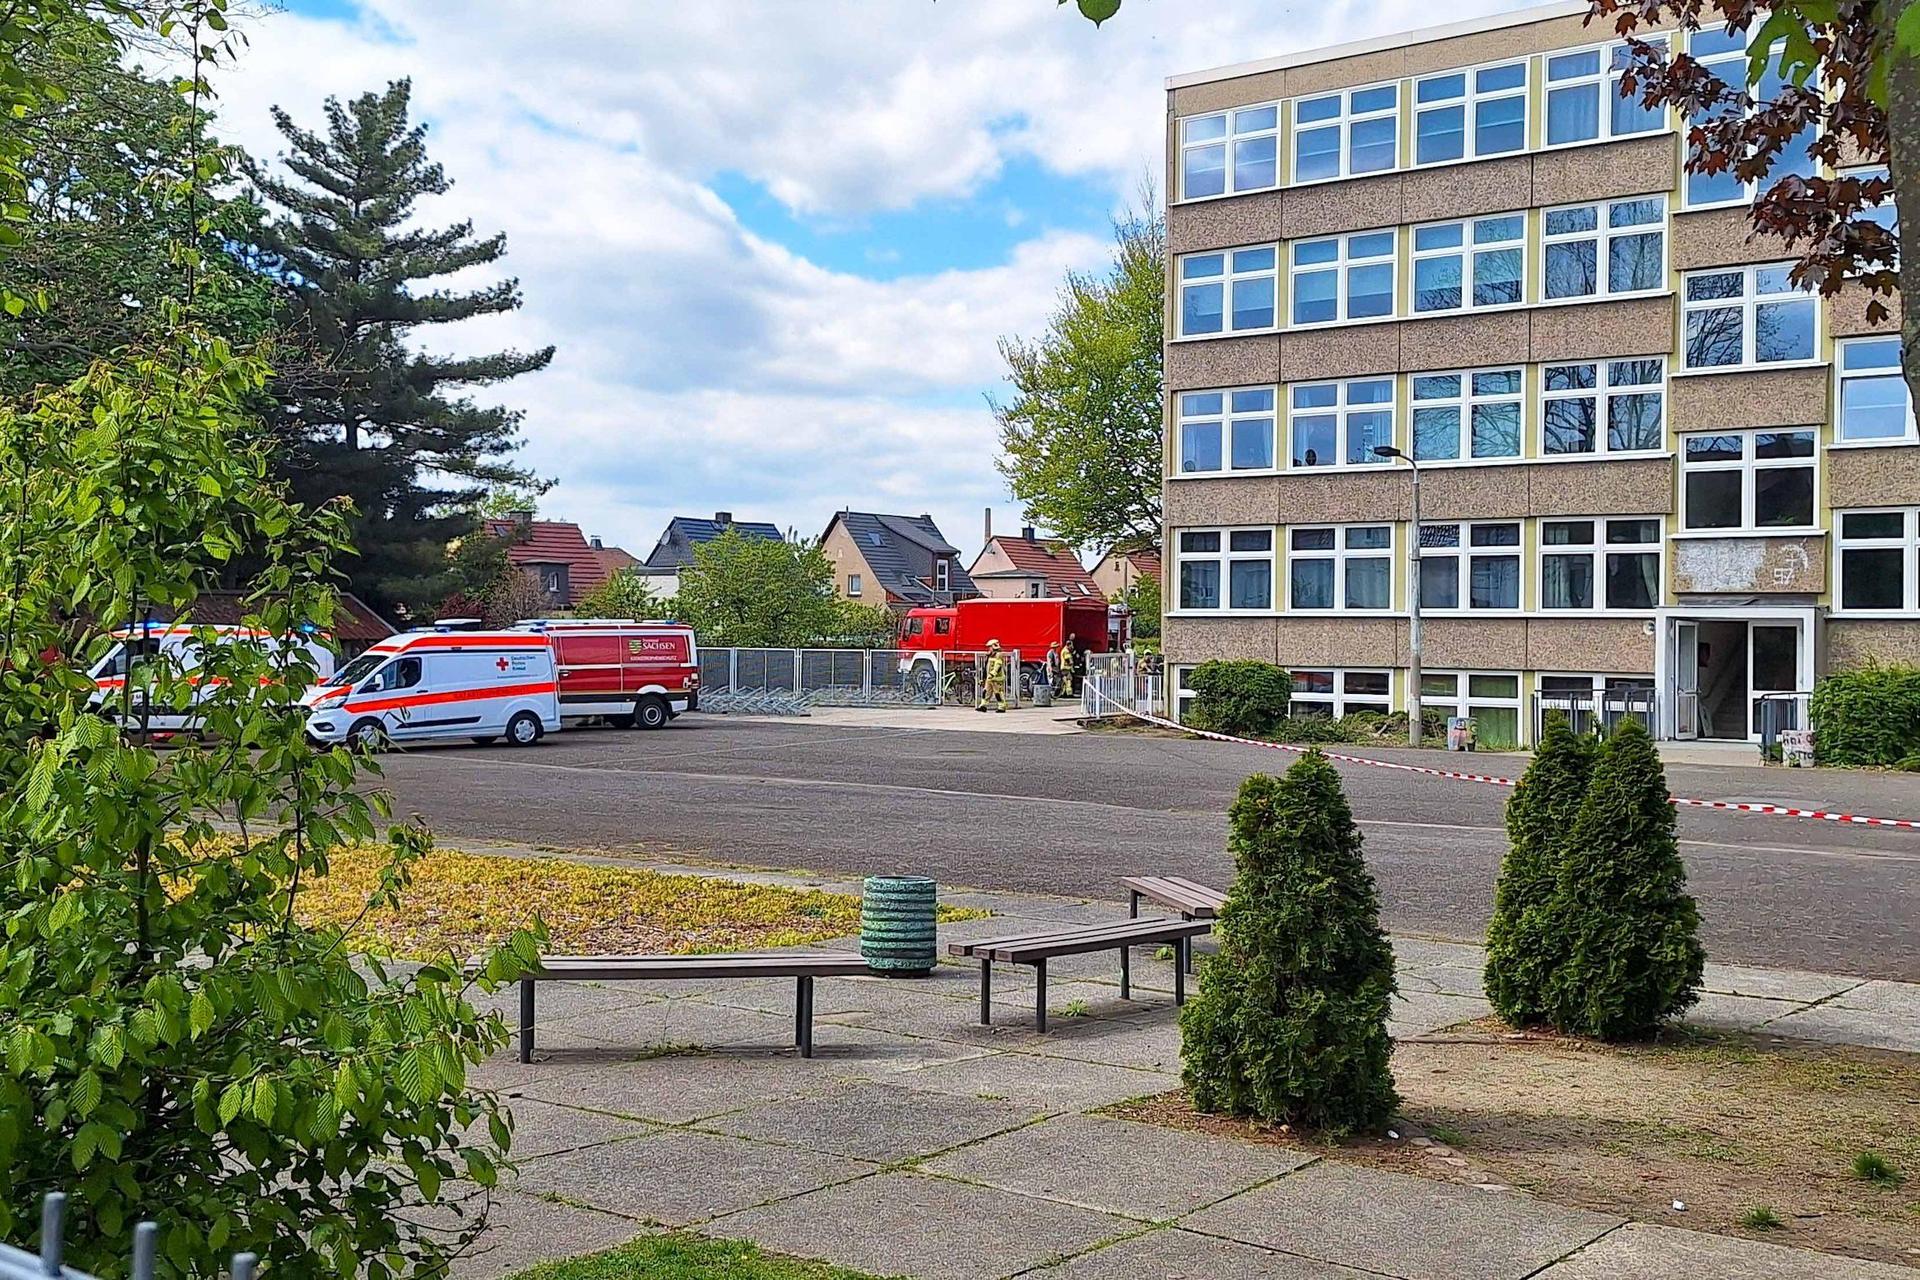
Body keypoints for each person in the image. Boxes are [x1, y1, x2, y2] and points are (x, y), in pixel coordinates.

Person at [976, 639, 1008, 713]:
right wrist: (984, 678)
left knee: (998, 693)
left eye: (990, 647)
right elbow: (986, 667)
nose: (989, 649)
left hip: (997, 678)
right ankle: (983, 706)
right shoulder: (990, 655)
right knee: (986, 692)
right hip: (989, 678)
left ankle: (1002, 707)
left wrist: (992, 674)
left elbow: (998, 665)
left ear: (994, 646)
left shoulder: (998, 655)